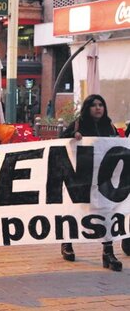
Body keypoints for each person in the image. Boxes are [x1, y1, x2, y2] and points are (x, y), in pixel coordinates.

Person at [60, 94, 122, 271]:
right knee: (76, 210)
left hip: (103, 179)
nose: (98, 108)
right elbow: (61, 141)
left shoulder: (109, 125)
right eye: (94, 105)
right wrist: (73, 135)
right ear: (87, 108)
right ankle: (66, 242)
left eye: (101, 104)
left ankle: (108, 252)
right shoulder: (79, 124)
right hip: (82, 177)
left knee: (107, 213)